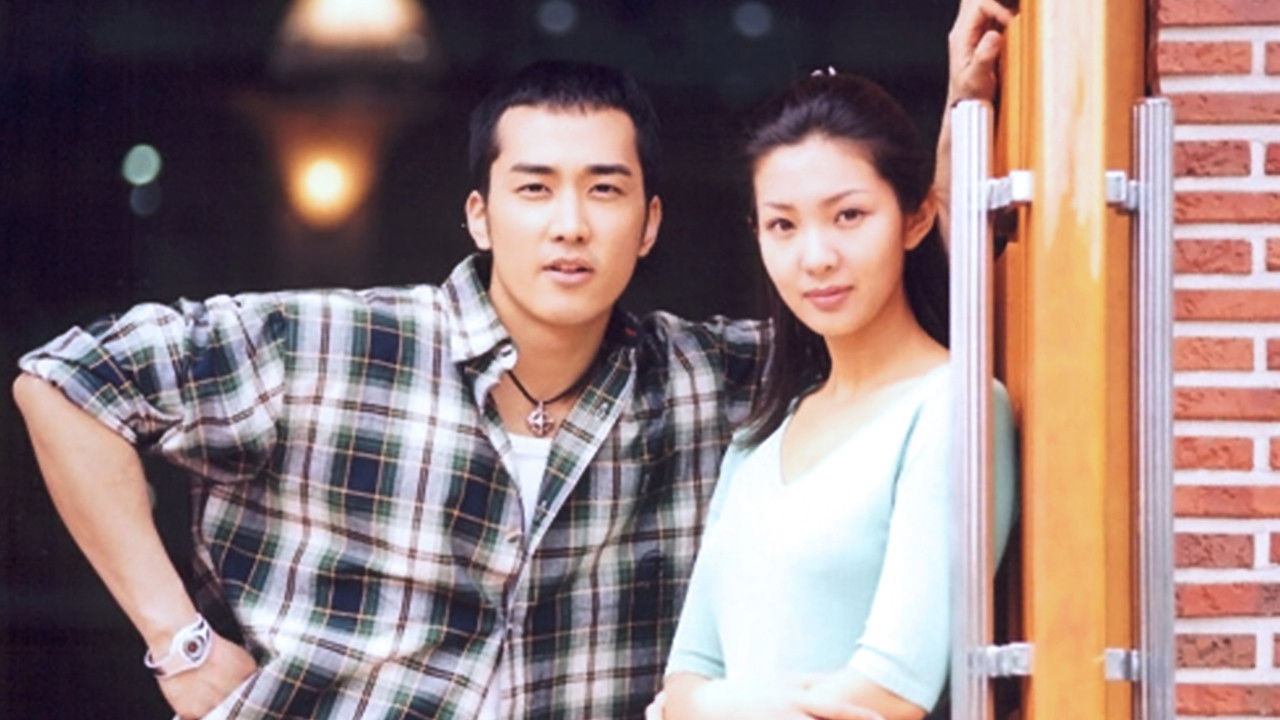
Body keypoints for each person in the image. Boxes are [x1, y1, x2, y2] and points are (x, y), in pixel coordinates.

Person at [13, 2, 1011, 718]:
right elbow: (65, 382)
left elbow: (858, 302)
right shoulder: (326, 347)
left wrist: (957, 134)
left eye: (604, 191)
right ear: (480, 216)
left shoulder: (710, 385)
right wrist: (179, 642)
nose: (569, 225)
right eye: (535, 189)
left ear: (649, 223)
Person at [656, 70, 1017, 720]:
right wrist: (690, 704)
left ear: (915, 218)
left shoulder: (955, 407)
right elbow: (686, 671)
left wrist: (705, 708)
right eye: (783, 225)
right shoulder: (758, 440)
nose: (816, 256)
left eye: (848, 215)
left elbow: (891, 689)